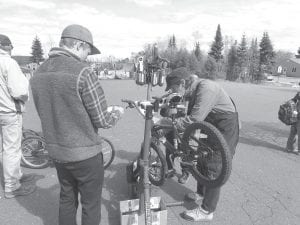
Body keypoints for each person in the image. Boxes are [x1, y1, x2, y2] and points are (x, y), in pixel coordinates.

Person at [30, 24, 123, 225]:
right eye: (88, 50)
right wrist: (117, 113)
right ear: (79, 45)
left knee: (66, 198)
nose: (88, 56)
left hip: (57, 151)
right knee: (90, 203)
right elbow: (103, 119)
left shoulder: (39, 72)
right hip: (85, 153)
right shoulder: (83, 72)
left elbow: (44, 112)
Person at [163, 67, 239, 222]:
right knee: (202, 159)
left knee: (213, 165)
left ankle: (207, 210)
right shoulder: (193, 89)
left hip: (225, 127)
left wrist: (172, 123)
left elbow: (194, 119)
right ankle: (201, 193)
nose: (173, 92)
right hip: (210, 126)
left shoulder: (206, 89)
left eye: (174, 88)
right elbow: (190, 115)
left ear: (183, 83)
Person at [0, 34, 36, 198]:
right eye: (11, 46)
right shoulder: (8, 62)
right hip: (8, 111)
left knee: (4, 148)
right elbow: (19, 91)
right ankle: (12, 185)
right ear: (6, 46)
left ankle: (16, 175)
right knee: (12, 148)